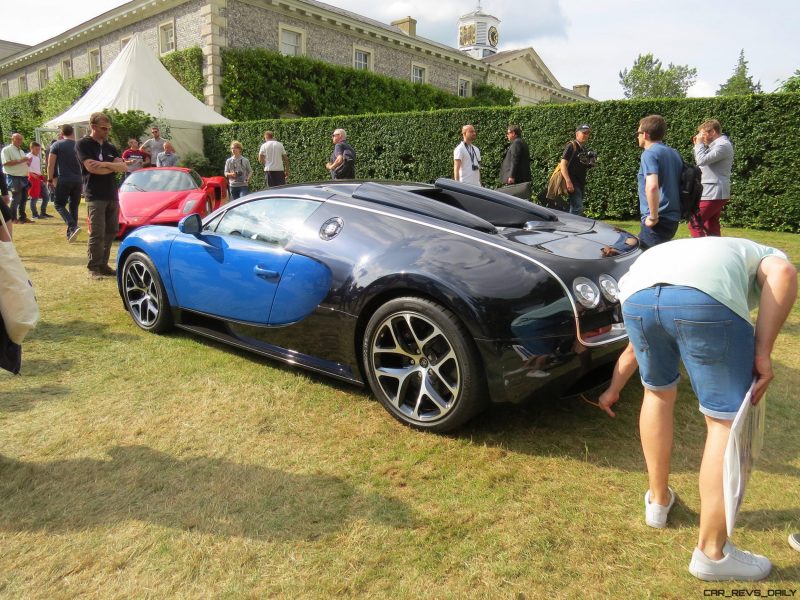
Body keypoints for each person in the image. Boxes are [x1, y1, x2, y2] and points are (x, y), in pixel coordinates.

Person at [606, 237, 797, 581]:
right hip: (705, 301)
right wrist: (763, 353)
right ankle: (713, 554)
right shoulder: (765, 254)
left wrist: (614, 389)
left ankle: (658, 501)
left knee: (656, 393)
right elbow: (783, 273)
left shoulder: (676, 252)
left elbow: (635, 349)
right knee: (724, 422)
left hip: (635, 295)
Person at [75, 112, 128, 279]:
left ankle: (103, 264)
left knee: (111, 231)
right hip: (94, 194)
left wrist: (105, 164)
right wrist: (112, 166)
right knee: (97, 232)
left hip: (112, 193)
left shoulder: (110, 146)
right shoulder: (83, 144)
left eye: (108, 128)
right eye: (103, 128)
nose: (107, 131)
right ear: (93, 127)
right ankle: (93, 267)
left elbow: (124, 167)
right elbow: (92, 169)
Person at [635, 115, 683, 249]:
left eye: (638, 133)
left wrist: (653, 217)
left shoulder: (649, 154)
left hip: (658, 219)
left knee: (649, 262)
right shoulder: (673, 153)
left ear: (645, 134)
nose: (637, 136)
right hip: (672, 218)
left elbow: (652, 186)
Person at [690, 119, 734, 237]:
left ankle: (702, 251)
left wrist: (699, 144)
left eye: (703, 134)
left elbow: (701, 160)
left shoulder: (722, 145)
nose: (701, 137)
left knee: (694, 222)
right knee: (711, 224)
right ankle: (716, 251)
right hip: (714, 191)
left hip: (714, 192)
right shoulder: (716, 145)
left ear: (713, 131)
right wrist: (699, 145)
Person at [47, 124, 84, 241]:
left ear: (61, 133)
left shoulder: (57, 145)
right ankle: (71, 233)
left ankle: (72, 226)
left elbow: (50, 164)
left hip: (64, 178)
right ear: (72, 132)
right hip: (78, 179)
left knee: (58, 204)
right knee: (74, 206)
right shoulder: (79, 145)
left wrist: (49, 179)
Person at [559, 124, 594, 216]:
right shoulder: (571, 146)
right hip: (573, 182)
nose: (586, 135)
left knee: (573, 207)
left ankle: (569, 227)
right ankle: (574, 228)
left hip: (580, 182)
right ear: (577, 134)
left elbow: (581, 166)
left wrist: (590, 162)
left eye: (587, 133)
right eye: (584, 133)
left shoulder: (583, 149)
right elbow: (563, 164)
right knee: (578, 208)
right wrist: (568, 181)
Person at [2, 133, 33, 224]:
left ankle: (22, 217)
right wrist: (21, 160)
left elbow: (23, 163)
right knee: (16, 198)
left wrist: (28, 163)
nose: (20, 141)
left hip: (23, 176)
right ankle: (12, 218)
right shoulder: (6, 150)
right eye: (18, 139)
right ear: (12, 139)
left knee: (24, 198)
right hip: (13, 176)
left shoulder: (21, 151)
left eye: (21, 139)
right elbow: (5, 163)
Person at [26, 141, 52, 219]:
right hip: (32, 178)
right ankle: (35, 214)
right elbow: (26, 168)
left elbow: (36, 168)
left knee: (46, 196)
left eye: (39, 149)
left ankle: (43, 212)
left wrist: (41, 176)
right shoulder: (28, 156)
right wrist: (32, 174)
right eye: (36, 149)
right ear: (31, 148)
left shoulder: (37, 157)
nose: (38, 151)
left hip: (38, 177)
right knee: (34, 197)